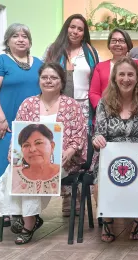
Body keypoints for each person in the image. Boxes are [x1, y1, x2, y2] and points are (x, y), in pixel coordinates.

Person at [0, 62, 87, 245]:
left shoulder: (72, 105)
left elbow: (80, 134)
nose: (48, 81)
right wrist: (12, 152)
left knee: (35, 175)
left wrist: (69, 151)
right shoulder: (28, 104)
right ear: (39, 80)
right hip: (29, 158)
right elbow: (17, 132)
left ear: (61, 81)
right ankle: (22, 216)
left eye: (53, 78)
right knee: (12, 173)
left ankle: (28, 224)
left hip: (62, 160)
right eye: (44, 77)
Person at [92, 57, 138, 243]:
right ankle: (107, 219)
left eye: (130, 74)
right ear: (114, 78)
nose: (126, 79)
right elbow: (98, 134)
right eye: (121, 74)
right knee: (99, 182)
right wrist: (97, 140)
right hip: (110, 158)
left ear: (137, 78)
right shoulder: (104, 103)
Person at [0, 23, 43, 227]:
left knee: (27, 167)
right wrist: (1, 119)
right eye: (15, 36)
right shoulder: (0, 61)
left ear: (30, 41)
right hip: (6, 124)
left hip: (32, 126)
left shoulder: (38, 63)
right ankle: (7, 210)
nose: (20, 39)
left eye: (25, 36)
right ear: (7, 40)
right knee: (5, 165)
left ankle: (27, 211)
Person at [43, 13, 99, 216]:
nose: (75, 31)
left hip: (83, 107)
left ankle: (78, 198)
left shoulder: (90, 52)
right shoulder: (53, 49)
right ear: (66, 28)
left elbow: (96, 79)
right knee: (60, 149)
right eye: (72, 27)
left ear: (84, 33)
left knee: (79, 152)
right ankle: (67, 199)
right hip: (59, 107)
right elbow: (44, 75)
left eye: (80, 28)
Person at [89, 28, 138, 111]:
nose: (117, 44)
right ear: (109, 45)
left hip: (133, 112)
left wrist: (132, 109)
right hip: (106, 113)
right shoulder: (100, 67)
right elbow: (94, 93)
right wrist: (104, 109)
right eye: (114, 41)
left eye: (121, 41)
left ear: (128, 44)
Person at [11, 124, 60, 195]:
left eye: (38, 143)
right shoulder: (14, 174)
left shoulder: (62, 173)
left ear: (52, 146)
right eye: (26, 145)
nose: (32, 149)